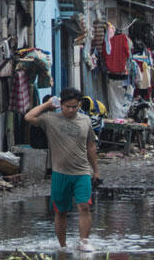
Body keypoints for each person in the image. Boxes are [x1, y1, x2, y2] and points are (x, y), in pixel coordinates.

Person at [24, 88, 100, 251]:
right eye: (67, 107)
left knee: (84, 206)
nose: (71, 110)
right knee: (61, 211)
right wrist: (47, 104)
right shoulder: (51, 120)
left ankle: (84, 242)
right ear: (61, 105)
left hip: (82, 172)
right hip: (60, 173)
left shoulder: (85, 121)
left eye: (74, 107)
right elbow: (29, 117)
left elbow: (91, 147)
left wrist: (96, 170)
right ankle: (63, 246)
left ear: (79, 105)